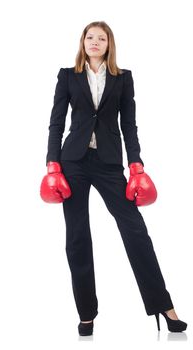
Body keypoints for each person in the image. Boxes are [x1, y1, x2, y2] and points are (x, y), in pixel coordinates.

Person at [40, 21, 186, 336]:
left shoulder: (123, 79)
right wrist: (52, 163)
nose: (95, 41)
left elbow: (129, 124)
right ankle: (86, 313)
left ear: (109, 44)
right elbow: (55, 121)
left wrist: (136, 165)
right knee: (77, 237)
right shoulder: (68, 76)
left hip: (108, 163)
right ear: (83, 42)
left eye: (101, 38)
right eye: (90, 37)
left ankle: (163, 305)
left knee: (135, 231)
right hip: (73, 162)